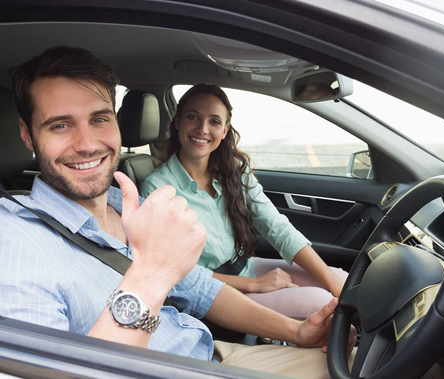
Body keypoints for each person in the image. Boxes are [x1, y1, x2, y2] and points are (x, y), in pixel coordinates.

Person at [0, 46, 355, 379]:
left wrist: (296, 331)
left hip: (206, 353)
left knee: (352, 360)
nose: (87, 143)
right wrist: (151, 275)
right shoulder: (14, 240)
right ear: (27, 135)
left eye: (99, 119)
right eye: (60, 125)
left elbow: (200, 289)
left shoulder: (124, 203)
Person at [140, 84, 349, 319]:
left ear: (225, 129)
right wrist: (253, 285)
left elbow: (276, 227)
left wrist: (332, 282)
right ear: (177, 121)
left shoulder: (234, 171)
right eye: (192, 117)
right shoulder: (157, 188)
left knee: (341, 280)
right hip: (209, 291)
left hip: (245, 268)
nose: (202, 129)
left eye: (214, 122)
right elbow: (173, 271)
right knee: (323, 304)